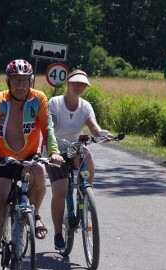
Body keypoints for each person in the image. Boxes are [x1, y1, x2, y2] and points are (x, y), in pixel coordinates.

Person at [0, 59, 63, 270]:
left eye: (24, 80)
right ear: (8, 81)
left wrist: (53, 151)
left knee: (39, 174)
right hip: (2, 158)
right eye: (15, 80)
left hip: (28, 155)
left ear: (31, 81)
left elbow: (48, 128)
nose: (20, 85)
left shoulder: (39, 99)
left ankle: (34, 215)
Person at [46, 69, 112, 250]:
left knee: (89, 163)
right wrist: (52, 150)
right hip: (55, 149)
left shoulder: (86, 106)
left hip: (75, 148)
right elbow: (49, 127)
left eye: (82, 84)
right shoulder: (55, 102)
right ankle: (58, 233)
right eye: (75, 83)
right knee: (60, 189)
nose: (79, 87)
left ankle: (85, 195)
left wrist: (103, 135)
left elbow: (94, 127)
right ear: (68, 84)